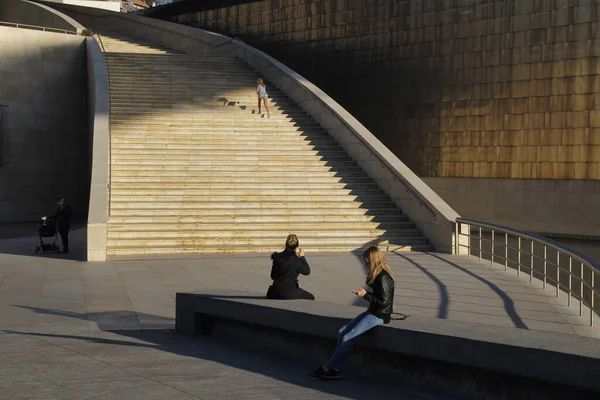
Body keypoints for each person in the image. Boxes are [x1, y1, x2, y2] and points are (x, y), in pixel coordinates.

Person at [309, 246, 395, 380]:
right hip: (372, 311)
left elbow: (384, 302)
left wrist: (365, 295)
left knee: (347, 337)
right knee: (342, 332)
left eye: (367, 261)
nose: (365, 264)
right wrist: (367, 287)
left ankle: (327, 368)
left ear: (373, 260)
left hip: (379, 315)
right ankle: (334, 367)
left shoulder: (384, 277)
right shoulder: (378, 275)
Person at [267, 234, 315, 300]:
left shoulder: (277, 257)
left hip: (275, 292)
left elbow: (273, 276)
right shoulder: (296, 260)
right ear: (296, 247)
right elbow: (307, 271)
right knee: (311, 297)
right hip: (289, 292)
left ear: (286, 245)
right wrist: (302, 257)